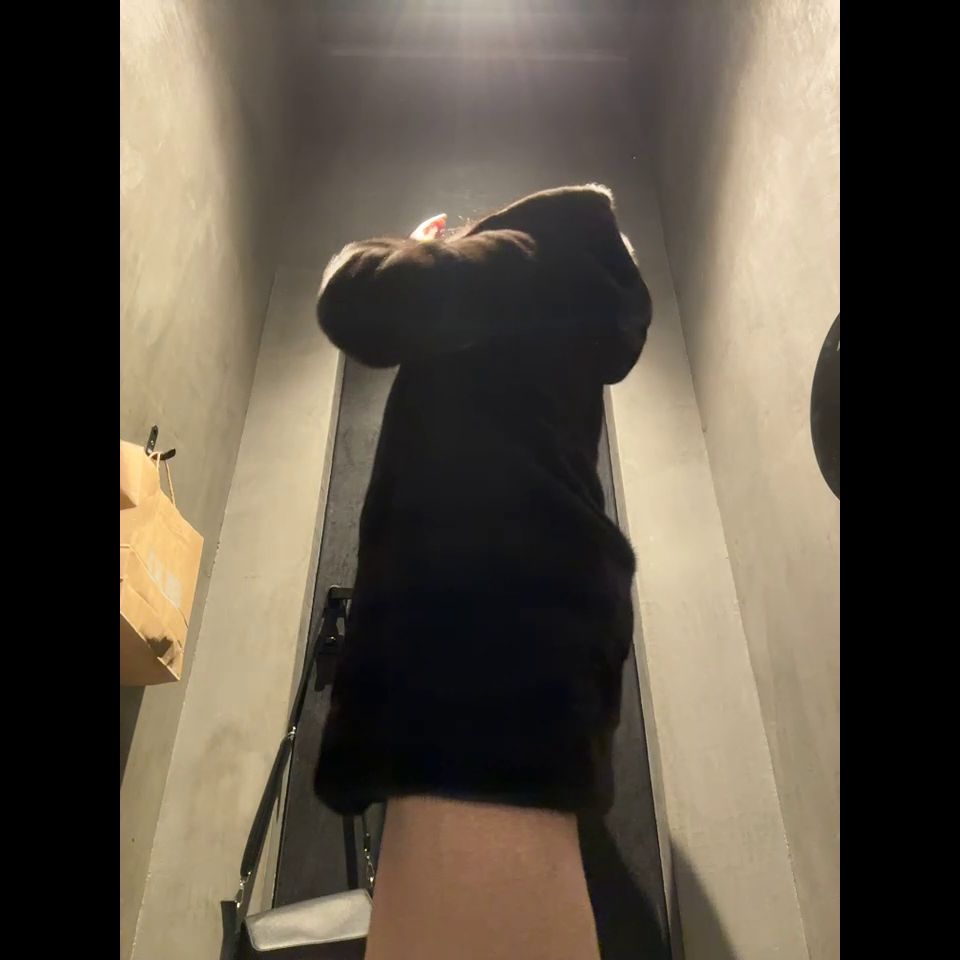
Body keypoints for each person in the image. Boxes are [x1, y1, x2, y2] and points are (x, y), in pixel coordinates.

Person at [314, 184, 652, 959]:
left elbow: (357, 300)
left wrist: (423, 249)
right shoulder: (561, 299)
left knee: (446, 861)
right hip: (522, 605)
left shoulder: (528, 252)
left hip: (476, 608)